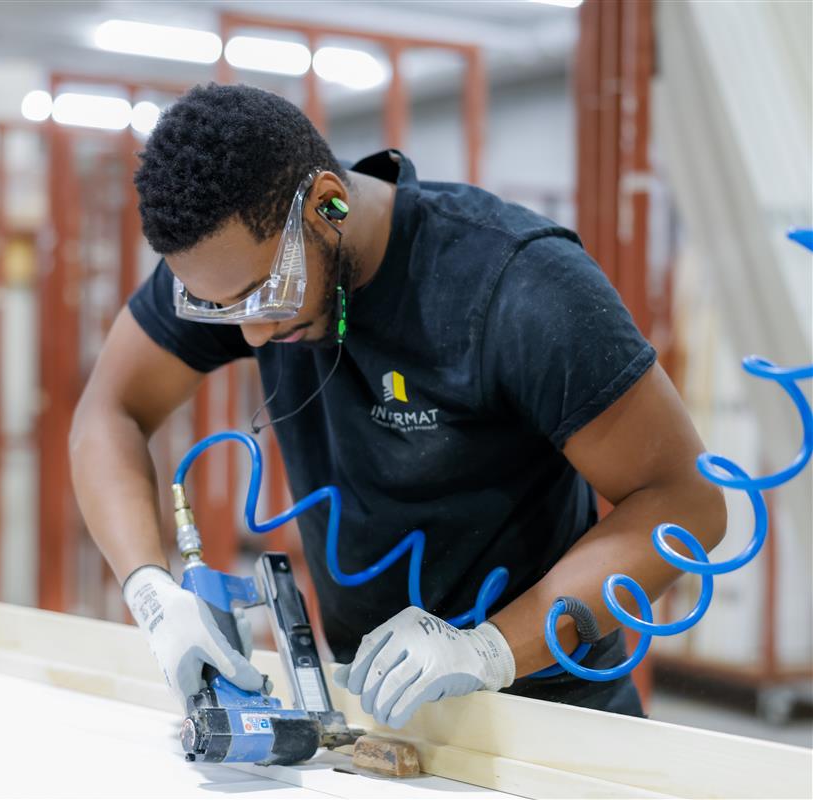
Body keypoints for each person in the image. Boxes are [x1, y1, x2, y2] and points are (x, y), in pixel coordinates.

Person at [69, 82, 726, 730]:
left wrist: (490, 649)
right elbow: (109, 412)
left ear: (328, 204)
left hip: (550, 714)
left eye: (265, 296)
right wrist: (149, 591)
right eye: (219, 308)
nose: (252, 333)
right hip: (374, 716)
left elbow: (686, 504)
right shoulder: (236, 269)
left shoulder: (518, 286)